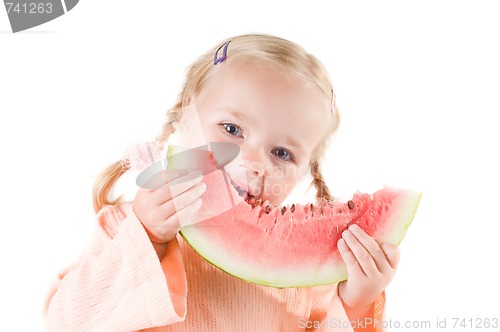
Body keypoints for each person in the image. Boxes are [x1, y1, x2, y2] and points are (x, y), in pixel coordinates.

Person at [43, 34, 400, 331]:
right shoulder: (125, 227)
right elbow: (67, 322)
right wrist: (146, 237)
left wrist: (353, 304)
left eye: (281, 153)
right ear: (185, 117)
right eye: (232, 129)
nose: (252, 161)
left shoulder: (312, 275)